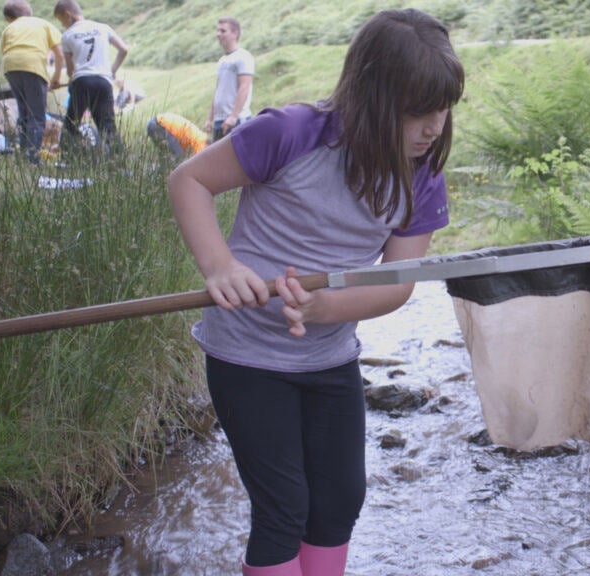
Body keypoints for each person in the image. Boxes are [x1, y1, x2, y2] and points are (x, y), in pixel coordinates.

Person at [167, 8, 463, 575]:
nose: (434, 126)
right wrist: (220, 266)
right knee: (283, 509)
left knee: (338, 502)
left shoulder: (423, 174)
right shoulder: (291, 133)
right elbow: (189, 180)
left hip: (329, 358)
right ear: (372, 98)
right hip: (246, 358)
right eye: (418, 113)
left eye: (444, 108)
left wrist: (324, 306)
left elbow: (394, 284)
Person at [53, 0, 128, 153]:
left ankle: (75, 156)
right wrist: (112, 70)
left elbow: (70, 71)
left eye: (62, 22)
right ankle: (119, 161)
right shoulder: (103, 27)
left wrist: (70, 79)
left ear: (68, 15)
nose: (63, 26)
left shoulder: (67, 36)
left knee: (71, 124)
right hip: (104, 81)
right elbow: (124, 49)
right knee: (107, 126)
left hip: (82, 81)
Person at [0, 0, 64, 162]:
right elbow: (59, 53)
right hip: (33, 65)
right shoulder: (42, 23)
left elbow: (5, 51)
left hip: (10, 66)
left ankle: (23, 154)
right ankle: (33, 159)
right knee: (37, 116)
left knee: (24, 113)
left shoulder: (9, 28)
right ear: (29, 11)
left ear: (9, 18)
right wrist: (56, 78)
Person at [203, 17, 254, 141]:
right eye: (218, 31)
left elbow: (244, 87)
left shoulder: (243, 57)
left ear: (235, 33)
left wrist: (233, 116)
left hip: (236, 120)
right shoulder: (222, 60)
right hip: (219, 119)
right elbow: (218, 91)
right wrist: (210, 119)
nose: (218, 34)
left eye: (223, 31)